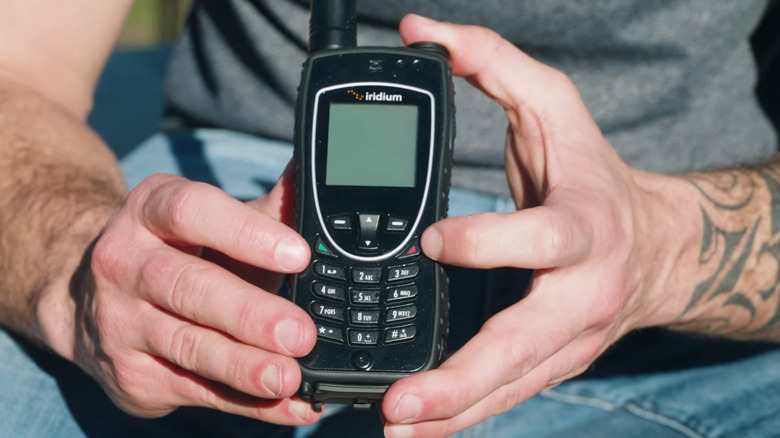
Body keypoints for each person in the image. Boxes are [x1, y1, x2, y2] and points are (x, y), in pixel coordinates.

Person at [2, 1, 780, 437]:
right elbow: (16, 67)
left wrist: (663, 251)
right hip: (225, 236)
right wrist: (71, 265)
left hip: (685, 298)